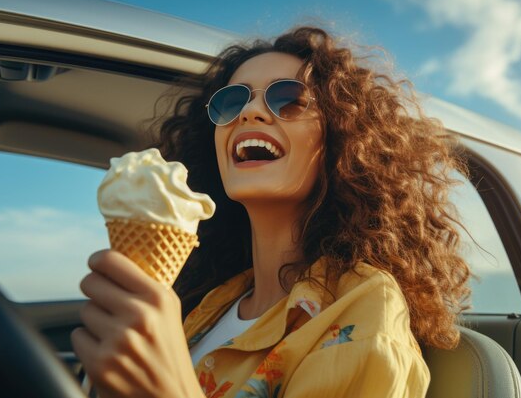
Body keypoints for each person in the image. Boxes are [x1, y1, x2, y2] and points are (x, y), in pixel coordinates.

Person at [71, 26, 471, 398]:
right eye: (231, 102)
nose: (249, 113)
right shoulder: (213, 302)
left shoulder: (366, 308)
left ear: (341, 139)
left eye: (288, 99)